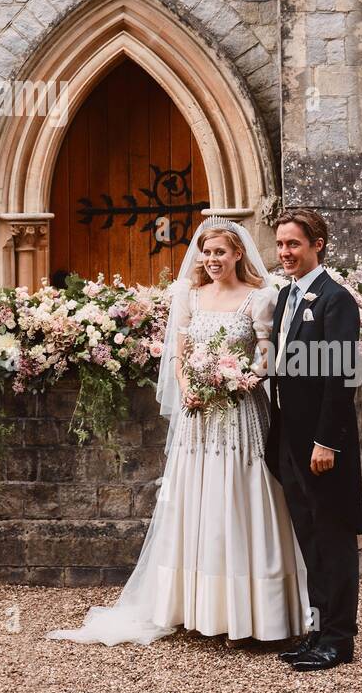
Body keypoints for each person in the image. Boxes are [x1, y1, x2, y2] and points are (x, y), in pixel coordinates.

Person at [47, 217, 308, 646]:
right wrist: (189, 389)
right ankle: (196, 606)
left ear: (238, 254)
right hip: (198, 418)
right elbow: (179, 356)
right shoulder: (190, 295)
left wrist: (242, 379)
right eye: (207, 252)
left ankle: (255, 612)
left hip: (241, 413)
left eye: (220, 252)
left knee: (242, 499)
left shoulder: (260, 298)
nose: (212, 259)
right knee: (197, 500)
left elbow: (267, 353)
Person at [265, 208, 362, 672]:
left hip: (324, 448)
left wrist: (327, 441)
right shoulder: (286, 297)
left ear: (317, 244)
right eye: (281, 244)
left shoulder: (335, 299)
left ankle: (340, 639)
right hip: (290, 439)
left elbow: (342, 377)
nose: (285, 253)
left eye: (294, 245)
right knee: (309, 537)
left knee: (333, 537)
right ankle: (318, 630)